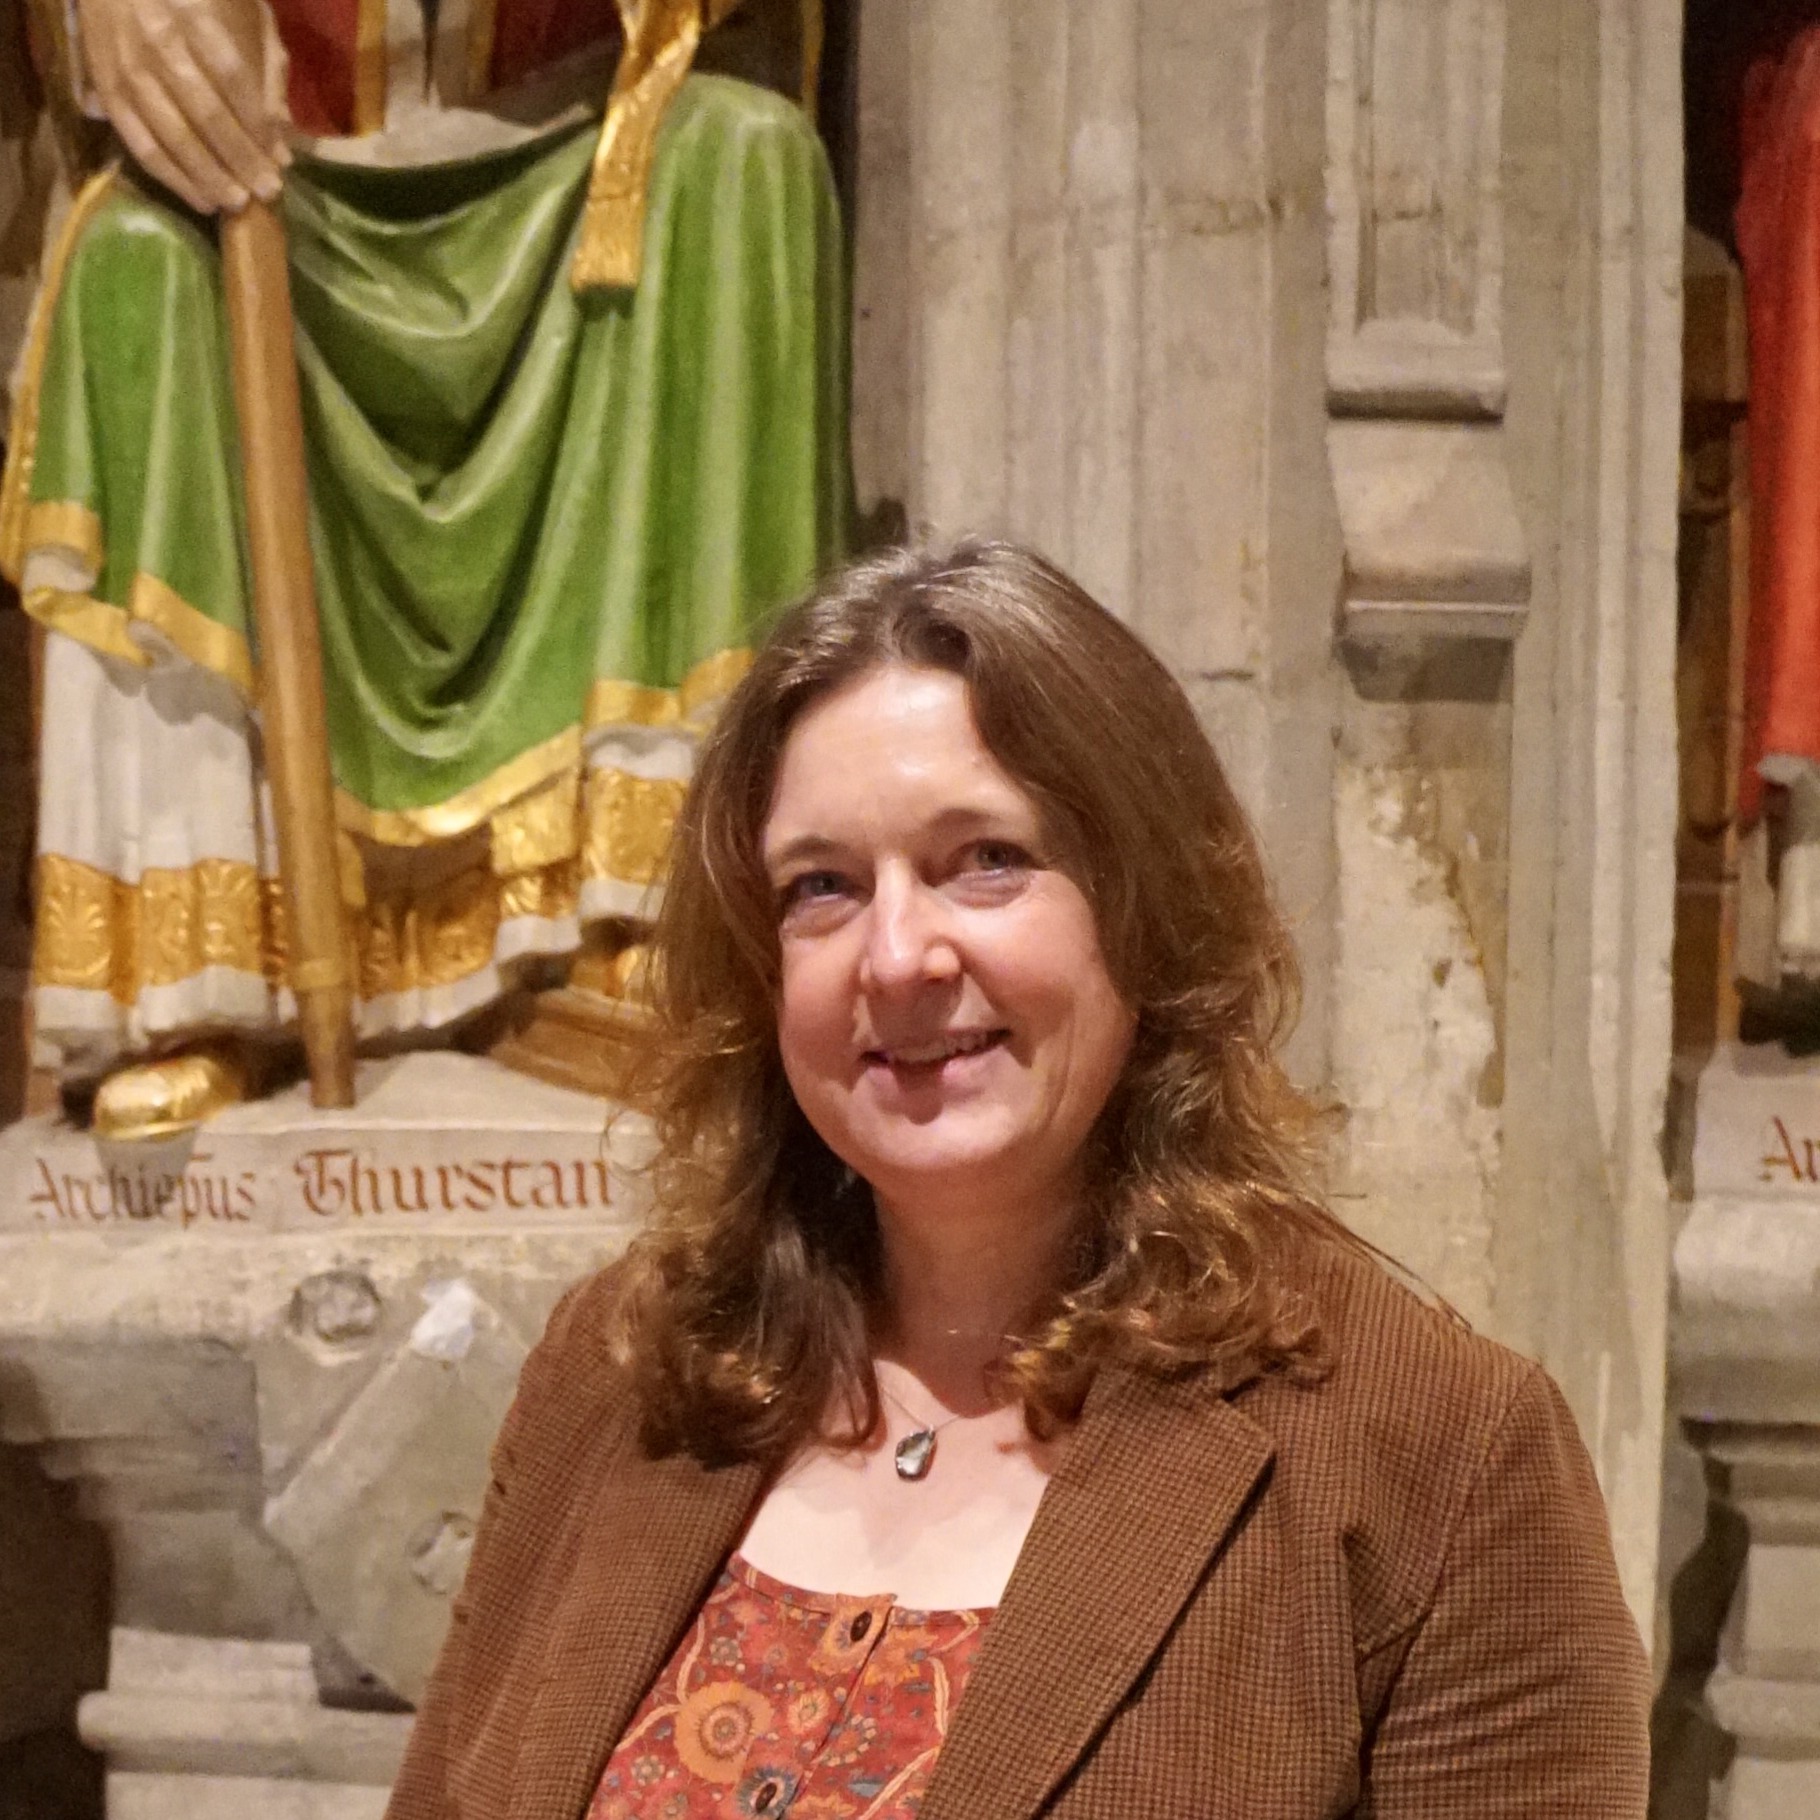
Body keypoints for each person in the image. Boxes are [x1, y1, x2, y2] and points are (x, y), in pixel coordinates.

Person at [385, 540, 1651, 1820]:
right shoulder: (618, 1370)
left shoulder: (1435, 1457)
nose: (895, 955)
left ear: (1143, 903)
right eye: (820, 885)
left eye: (983, 858)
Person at [3, 0, 845, 1137]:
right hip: (258, 162)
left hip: (580, 142)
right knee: (131, 263)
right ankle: (200, 983)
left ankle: (658, 914)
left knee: (748, 163)